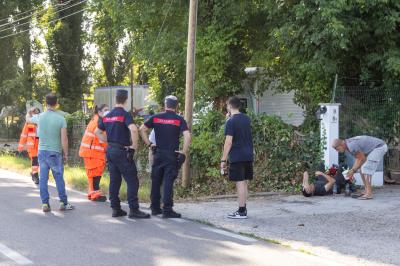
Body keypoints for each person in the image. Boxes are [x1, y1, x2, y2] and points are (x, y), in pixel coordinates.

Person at [95, 90, 150, 219]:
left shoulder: (107, 116)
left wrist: (108, 140)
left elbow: (97, 132)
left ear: (115, 99)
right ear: (126, 100)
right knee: (132, 180)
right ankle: (134, 210)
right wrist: (133, 148)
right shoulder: (125, 115)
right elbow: (134, 129)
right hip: (122, 151)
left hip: (111, 151)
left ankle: (116, 209)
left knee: (114, 180)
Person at [139, 95, 191, 218]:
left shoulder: (156, 117)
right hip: (171, 154)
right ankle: (167, 209)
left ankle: (155, 208)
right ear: (177, 106)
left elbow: (141, 129)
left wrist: (150, 144)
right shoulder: (179, 119)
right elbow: (187, 136)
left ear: (165, 105)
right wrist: (183, 152)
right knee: (168, 181)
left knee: (156, 180)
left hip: (158, 153)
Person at [31, 93, 74, 212]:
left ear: (45, 103)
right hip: (55, 152)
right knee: (59, 178)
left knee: (43, 178)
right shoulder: (61, 119)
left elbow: (28, 119)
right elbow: (64, 139)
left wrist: (30, 111)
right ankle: (63, 202)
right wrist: (65, 154)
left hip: (42, 152)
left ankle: (45, 204)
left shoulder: (39, 117)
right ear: (56, 104)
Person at [221, 96, 254, 219]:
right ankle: (243, 209)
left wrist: (223, 159)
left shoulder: (231, 121)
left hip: (237, 155)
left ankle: (241, 211)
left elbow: (228, 142)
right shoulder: (247, 119)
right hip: (248, 154)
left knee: (240, 183)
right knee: (244, 182)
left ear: (229, 106)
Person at [79, 104, 109, 202]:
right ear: (100, 112)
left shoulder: (96, 119)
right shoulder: (99, 122)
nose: (107, 112)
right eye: (105, 110)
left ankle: (93, 193)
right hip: (93, 152)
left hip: (91, 152)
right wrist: (109, 148)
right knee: (95, 173)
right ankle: (95, 194)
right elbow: (102, 140)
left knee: (93, 174)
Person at [18, 107, 40, 184]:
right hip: (32, 144)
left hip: (41, 143)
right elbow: (24, 135)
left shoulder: (42, 121)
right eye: (34, 112)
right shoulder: (29, 123)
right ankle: (35, 175)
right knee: (35, 159)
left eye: (37, 113)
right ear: (31, 113)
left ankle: (34, 173)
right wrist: (21, 146)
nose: (35, 114)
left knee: (40, 160)